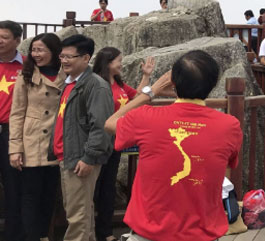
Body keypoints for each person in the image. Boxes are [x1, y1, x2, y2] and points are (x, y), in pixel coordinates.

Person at [105, 50, 243, 241]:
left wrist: (150, 93)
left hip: (149, 233)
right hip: (203, 234)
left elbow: (110, 124)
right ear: (213, 84)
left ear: (173, 82)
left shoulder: (146, 117)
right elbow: (228, 165)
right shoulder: (229, 126)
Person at [49, 35, 114, 241]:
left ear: (86, 58)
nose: (64, 61)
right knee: (81, 212)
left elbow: (101, 125)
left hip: (80, 158)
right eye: (62, 56)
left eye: (70, 57)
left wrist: (89, 158)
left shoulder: (96, 85)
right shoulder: (69, 83)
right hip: (67, 155)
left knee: (77, 217)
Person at [92, 48, 155, 241]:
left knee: (108, 187)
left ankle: (105, 232)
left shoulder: (119, 84)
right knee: (93, 187)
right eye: (118, 60)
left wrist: (146, 76)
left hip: (115, 142)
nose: (121, 64)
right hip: (98, 142)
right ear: (108, 62)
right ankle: (89, 231)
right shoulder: (95, 83)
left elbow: (136, 99)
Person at [9, 33, 64, 241]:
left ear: (54, 52)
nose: (35, 54)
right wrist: (15, 148)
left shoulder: (66, 75)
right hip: (32, 141)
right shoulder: (26, 75)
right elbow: (17, 113)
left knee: (49, 196)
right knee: (30, 195)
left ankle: (43, 235)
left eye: (41, 50)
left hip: (56, 141)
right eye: (33, 50)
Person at [0, 20, 26, 240]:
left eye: (4, 37)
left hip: (13, 133)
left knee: (13, 186)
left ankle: (12, 235)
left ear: (17, 40)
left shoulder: (28, 66)